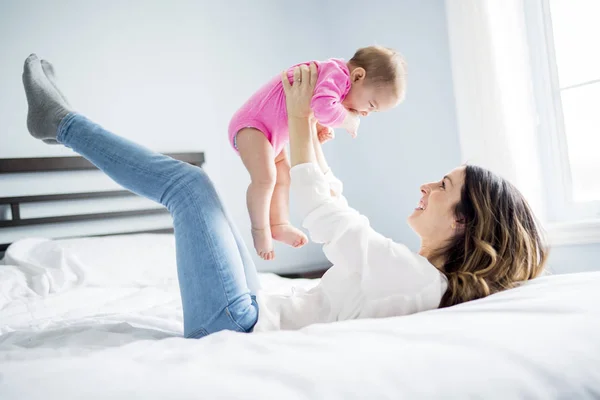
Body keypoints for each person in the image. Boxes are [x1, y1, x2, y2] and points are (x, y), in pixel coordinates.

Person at [22, 55, 546, 339]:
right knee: (215, 198)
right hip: (259, 310)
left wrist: (299, 119)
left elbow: (328, 214)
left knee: (190, 185)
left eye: (443, 187)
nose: (426, 186)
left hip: (238, 326)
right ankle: (61, 122)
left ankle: (61, 124)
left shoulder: (415, 280)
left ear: (463, 223)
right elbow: (338, 206)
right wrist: (310, 138)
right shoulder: (413, 276)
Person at [229, 46, 406, 260]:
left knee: (283, 177)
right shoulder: (338, 74)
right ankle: (260, 230)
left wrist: (319, 127)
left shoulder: (333, 77)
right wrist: (348, 120)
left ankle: (278, 224)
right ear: (358, 76)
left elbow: (314, 107)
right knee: (266, 179)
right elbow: (323, 107)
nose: (366, 113)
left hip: (271, 136)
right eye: (371, 105)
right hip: (252, 126)